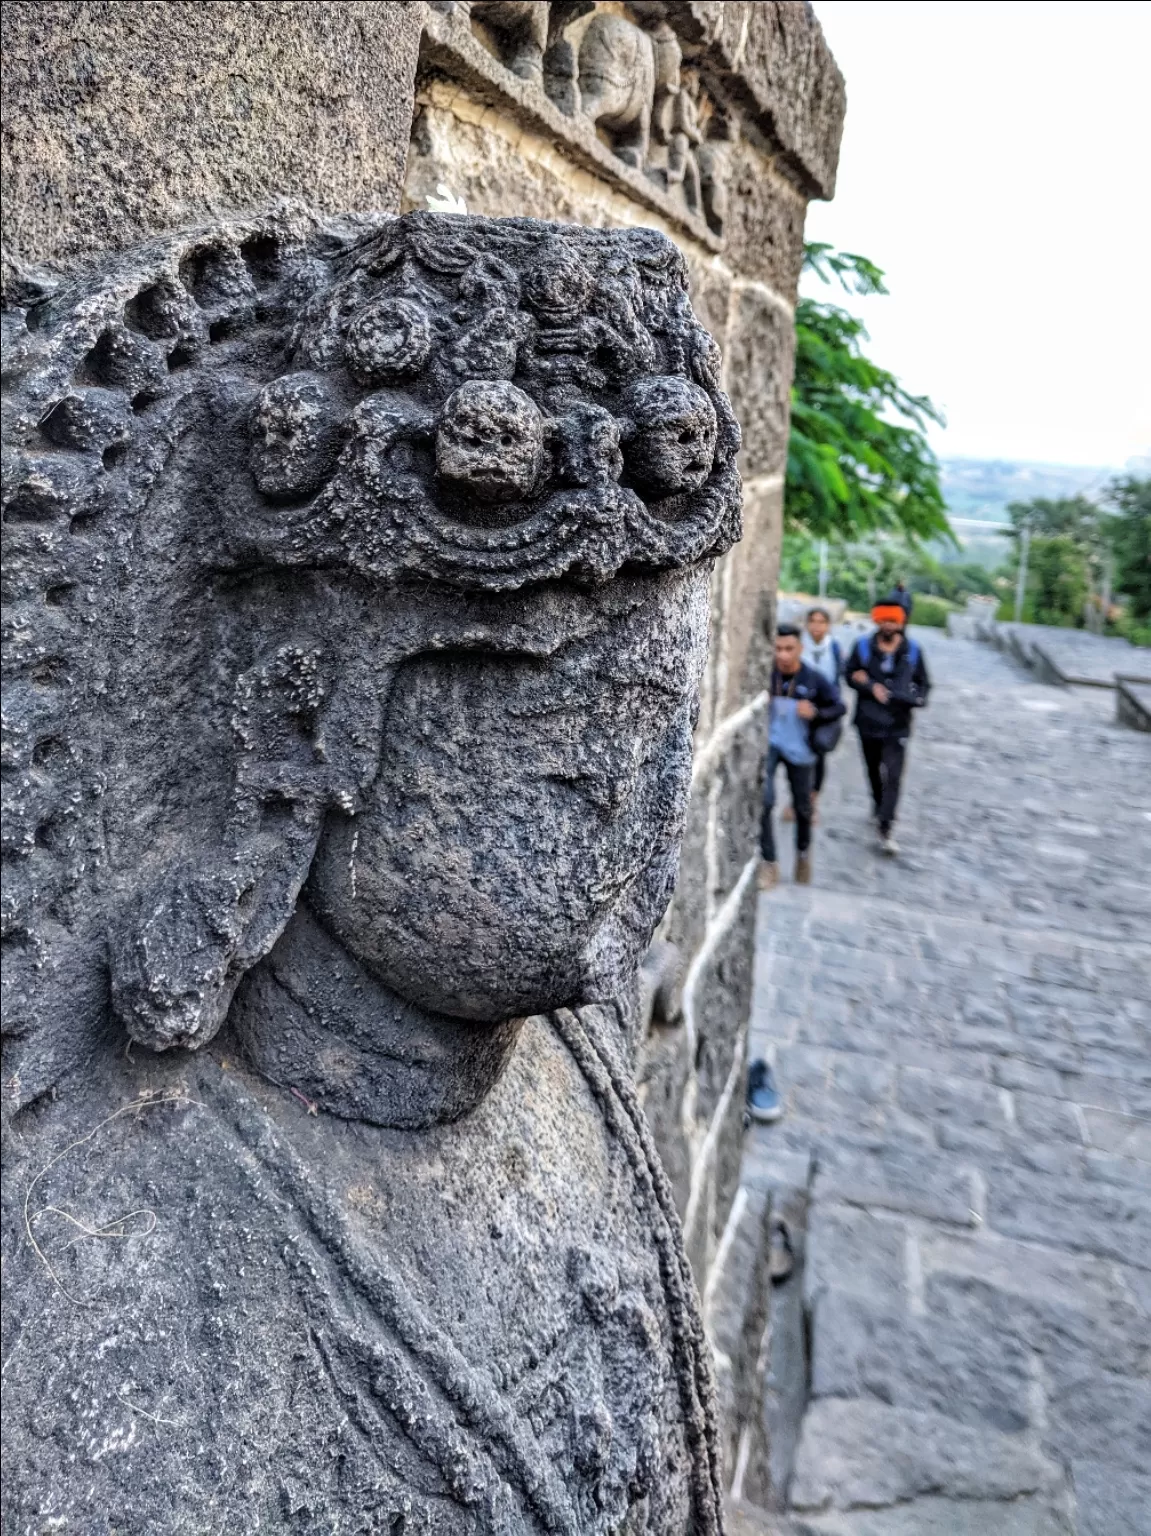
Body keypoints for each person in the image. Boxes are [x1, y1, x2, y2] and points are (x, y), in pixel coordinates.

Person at [759, 624, 846, 890]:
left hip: (801, 750)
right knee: (765, 800)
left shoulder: (814, 679)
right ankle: (769, 861)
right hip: (771, 744)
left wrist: (816, 712)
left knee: (803, 807)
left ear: (800, 649)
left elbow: (839, 706)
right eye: (778, 649)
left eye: (789, 649)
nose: (783, 655)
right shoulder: (767, 674)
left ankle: (802, 854)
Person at [845, 597, 931, 855]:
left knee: (893, 776)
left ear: (901, 622)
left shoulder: (913, 651)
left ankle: (886, 824)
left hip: (898, 724)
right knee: (873, 769)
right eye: (885, 620)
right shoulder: (862, 647)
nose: (889, 625)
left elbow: (924, 683)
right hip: (868, 722)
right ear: (877, 620)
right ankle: (878, 804)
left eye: (894, 620)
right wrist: (870, 686)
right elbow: (849, 675)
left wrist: (916, 699)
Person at [801, 605, 845, 819]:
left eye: (822, 622)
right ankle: (799, 800)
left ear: (828, 625)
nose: (817, 626)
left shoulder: (834, 649)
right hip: (802, 704)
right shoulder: (800, 647)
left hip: (824, 707)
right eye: (813, 621)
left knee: (819, 755)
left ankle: (812, 800)